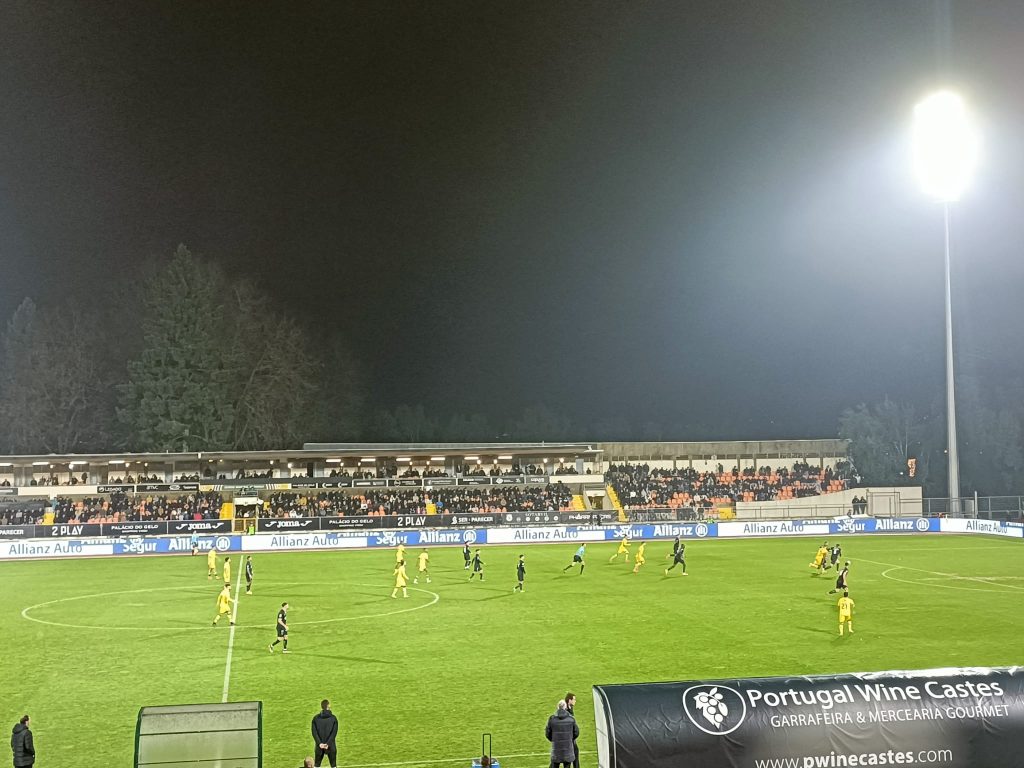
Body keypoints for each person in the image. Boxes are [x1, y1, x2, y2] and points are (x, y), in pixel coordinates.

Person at [545, 700, 578, 768]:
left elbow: (548, 733)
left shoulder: (552, 720)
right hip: (568, 750)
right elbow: (576, 733)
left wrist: (554, 740)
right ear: (565, 707)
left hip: (556, 750)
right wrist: (570, 739)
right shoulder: (571, 719)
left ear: (557, 707)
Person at [311, 699, 339, 768]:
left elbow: (314, 733)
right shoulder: (333, 718)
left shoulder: (315, 719)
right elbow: (334, 733)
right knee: (333, 766)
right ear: (328, 706)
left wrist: (320, 743)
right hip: (331, 746)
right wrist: (328, 744)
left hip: (319, 747)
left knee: (317, 766)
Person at [564, 693, 580, 768]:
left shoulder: (570, 708)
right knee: (568, 761)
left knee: (575, 755)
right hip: (568, 740)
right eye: (574, 699)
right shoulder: (566, 711)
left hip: (572, 739)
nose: (575, 701)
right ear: (569, 700)